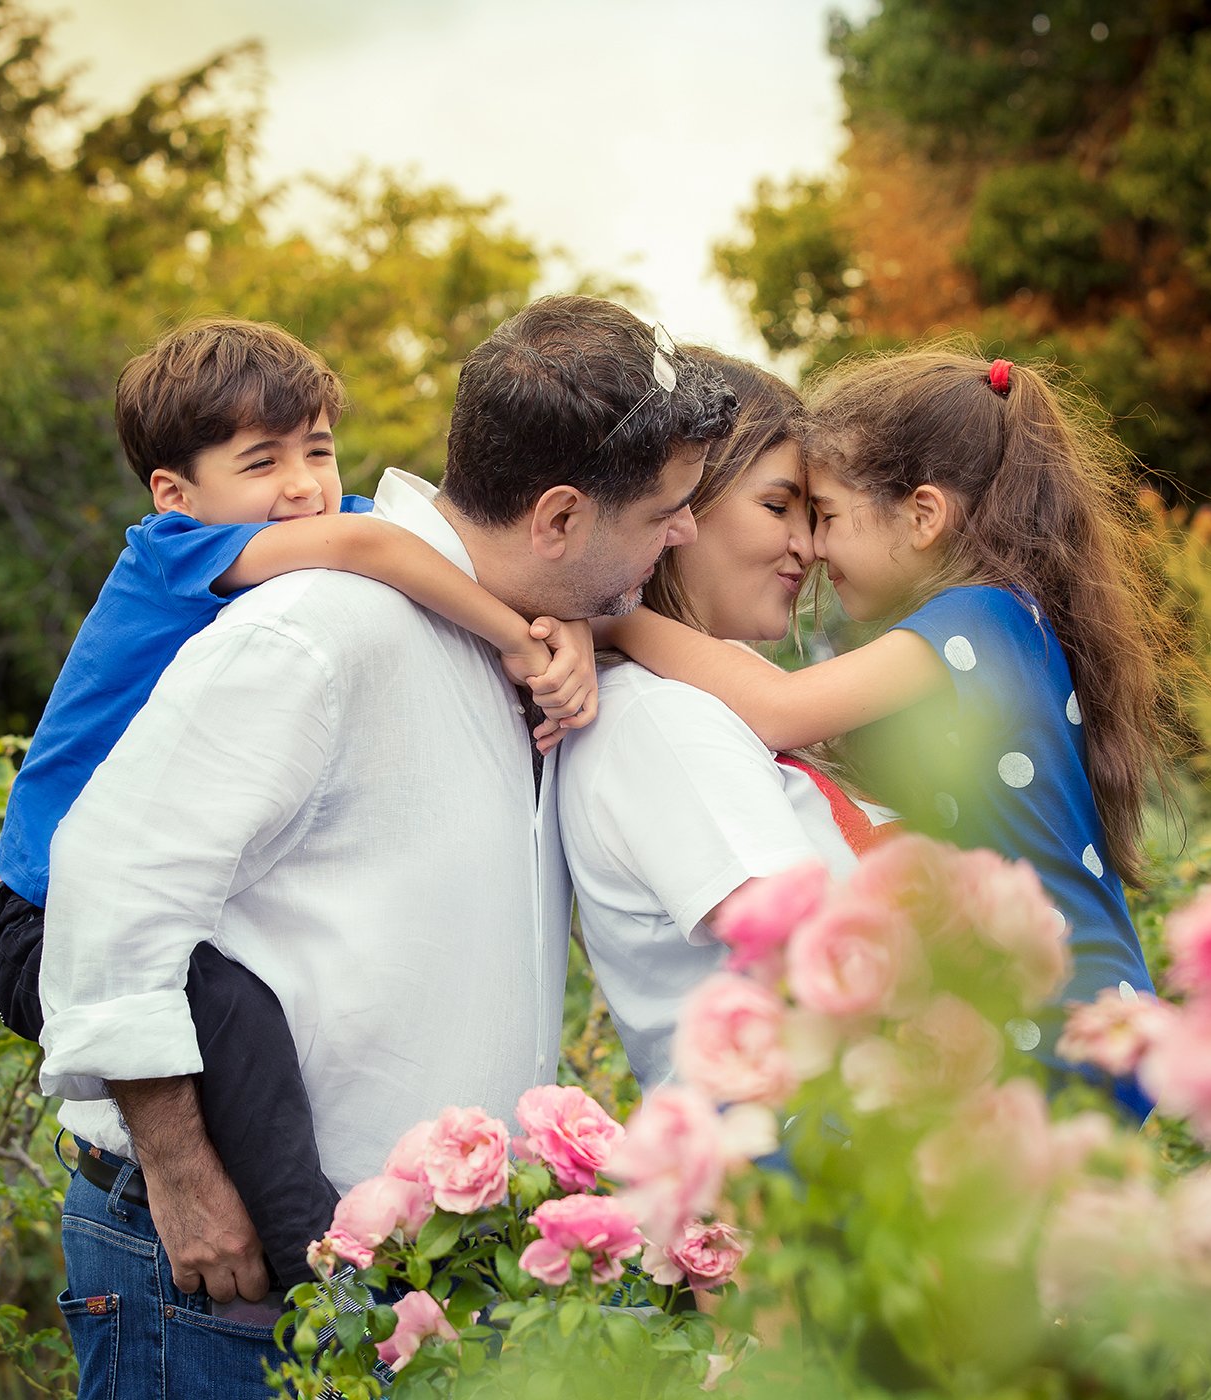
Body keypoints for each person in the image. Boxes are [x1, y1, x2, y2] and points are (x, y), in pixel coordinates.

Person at [36, 296, 737, 1399]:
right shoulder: (319, 627)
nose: (687, 532)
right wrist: (181, 1176)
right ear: (557, 517)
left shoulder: (509, 629)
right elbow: (108, 876)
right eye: (666, 510)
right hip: (221, 1274)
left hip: (398, 1288)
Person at [0, 317, 598, 1293]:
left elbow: (443, 555)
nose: (304, 482)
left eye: (318, 447)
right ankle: (321, 1267)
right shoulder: (173, 551)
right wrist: (523, 641)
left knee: (239, 1004)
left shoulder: (297, 533)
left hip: (129, 899)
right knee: (232, 1010)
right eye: (261, 459)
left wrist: (578, 630)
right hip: (42, 912)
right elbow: (375, 543)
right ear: (176, 493)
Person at [604, 350, 1186, 1115]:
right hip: (1068, 1003)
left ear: (922, 516)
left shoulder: (976, 619)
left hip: (1063, 1012)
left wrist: (614, 617)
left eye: (827, 516)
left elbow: (779, 708)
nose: (814, 549)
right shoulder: (994, 625)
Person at [560, 349, 886, 1090]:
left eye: (813, 516)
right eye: (778, 508)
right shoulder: (662, 721)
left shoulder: (711, 696)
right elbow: (816, 968)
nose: (807, 546)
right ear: (679, 509)